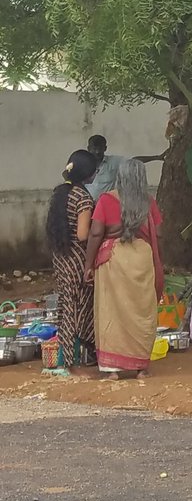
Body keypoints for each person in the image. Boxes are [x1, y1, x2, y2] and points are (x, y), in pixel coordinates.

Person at [84, 159, 163, 379]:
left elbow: (96, 233)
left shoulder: (107, 200)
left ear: (120, 177)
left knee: (112, 312)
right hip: (142, 259)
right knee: (141, 310)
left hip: (114, 259)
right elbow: (158, 234)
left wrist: (88, 264)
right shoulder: (149, 202)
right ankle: (140, 368)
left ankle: (113, 370)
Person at [45, 149, 99, 368]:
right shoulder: (83, 197)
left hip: (61, 257)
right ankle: (79, 355)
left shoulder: (59, 194)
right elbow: (83, 234)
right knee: (82, 307)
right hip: (77, 259)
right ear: (88, 174)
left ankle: (66, 358)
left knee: (67, 306)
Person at [85, 134, 163, 201]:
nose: (97, 152)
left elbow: (133, 160)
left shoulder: (113, 162)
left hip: (104, 206)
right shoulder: (82, 164)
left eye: (100, 148)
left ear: (105, 148)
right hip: (85, 205)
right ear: (88, 149)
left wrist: (156, 157)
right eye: (94, 149)